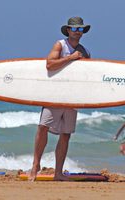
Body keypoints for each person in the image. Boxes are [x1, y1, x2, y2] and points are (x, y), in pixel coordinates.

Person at [30, 16, 91, 181]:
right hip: (54, 95)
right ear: (69, 30)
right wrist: (71, 58)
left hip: (72, 98)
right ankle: (35, 165)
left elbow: (89, 77)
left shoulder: (85, 52)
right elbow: (49, 64)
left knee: (65, 134)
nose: (78, 32)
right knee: (43, 127)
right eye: (75, 29)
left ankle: (58, 173)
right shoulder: (60, 45)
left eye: (81, 29)